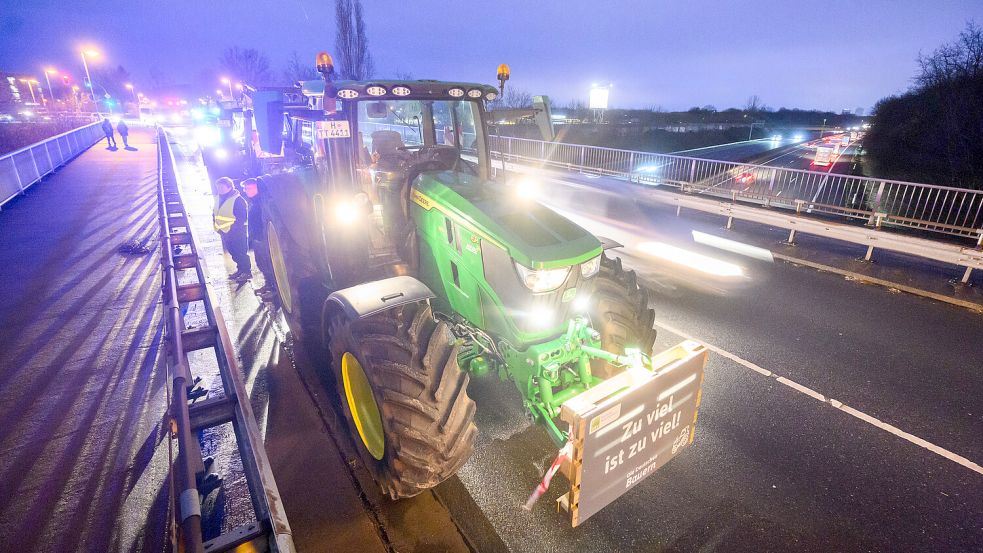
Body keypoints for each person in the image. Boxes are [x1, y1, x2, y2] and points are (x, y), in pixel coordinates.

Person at [242, 177, 277, 300]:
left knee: (270, 265)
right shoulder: (253, 201)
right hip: (257, 238)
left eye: (250, 188)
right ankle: (268, 284)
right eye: (246, 188)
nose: (247, 190)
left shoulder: (262, 201)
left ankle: (275, 289)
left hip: (264, 238)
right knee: (261, 263)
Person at [212, 177, 251, 280]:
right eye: (218, 187)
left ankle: (246, 272)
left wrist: (232, 230)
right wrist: (217, 227)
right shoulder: (218, 198)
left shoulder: (238, 200)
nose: (219, 189)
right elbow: (215, 213)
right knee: (233, 253)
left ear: (229, 187)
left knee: (241, 253)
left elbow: (241, 218)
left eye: (221, 186)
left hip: (236, 233)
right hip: (224, 232)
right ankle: (240, 270)